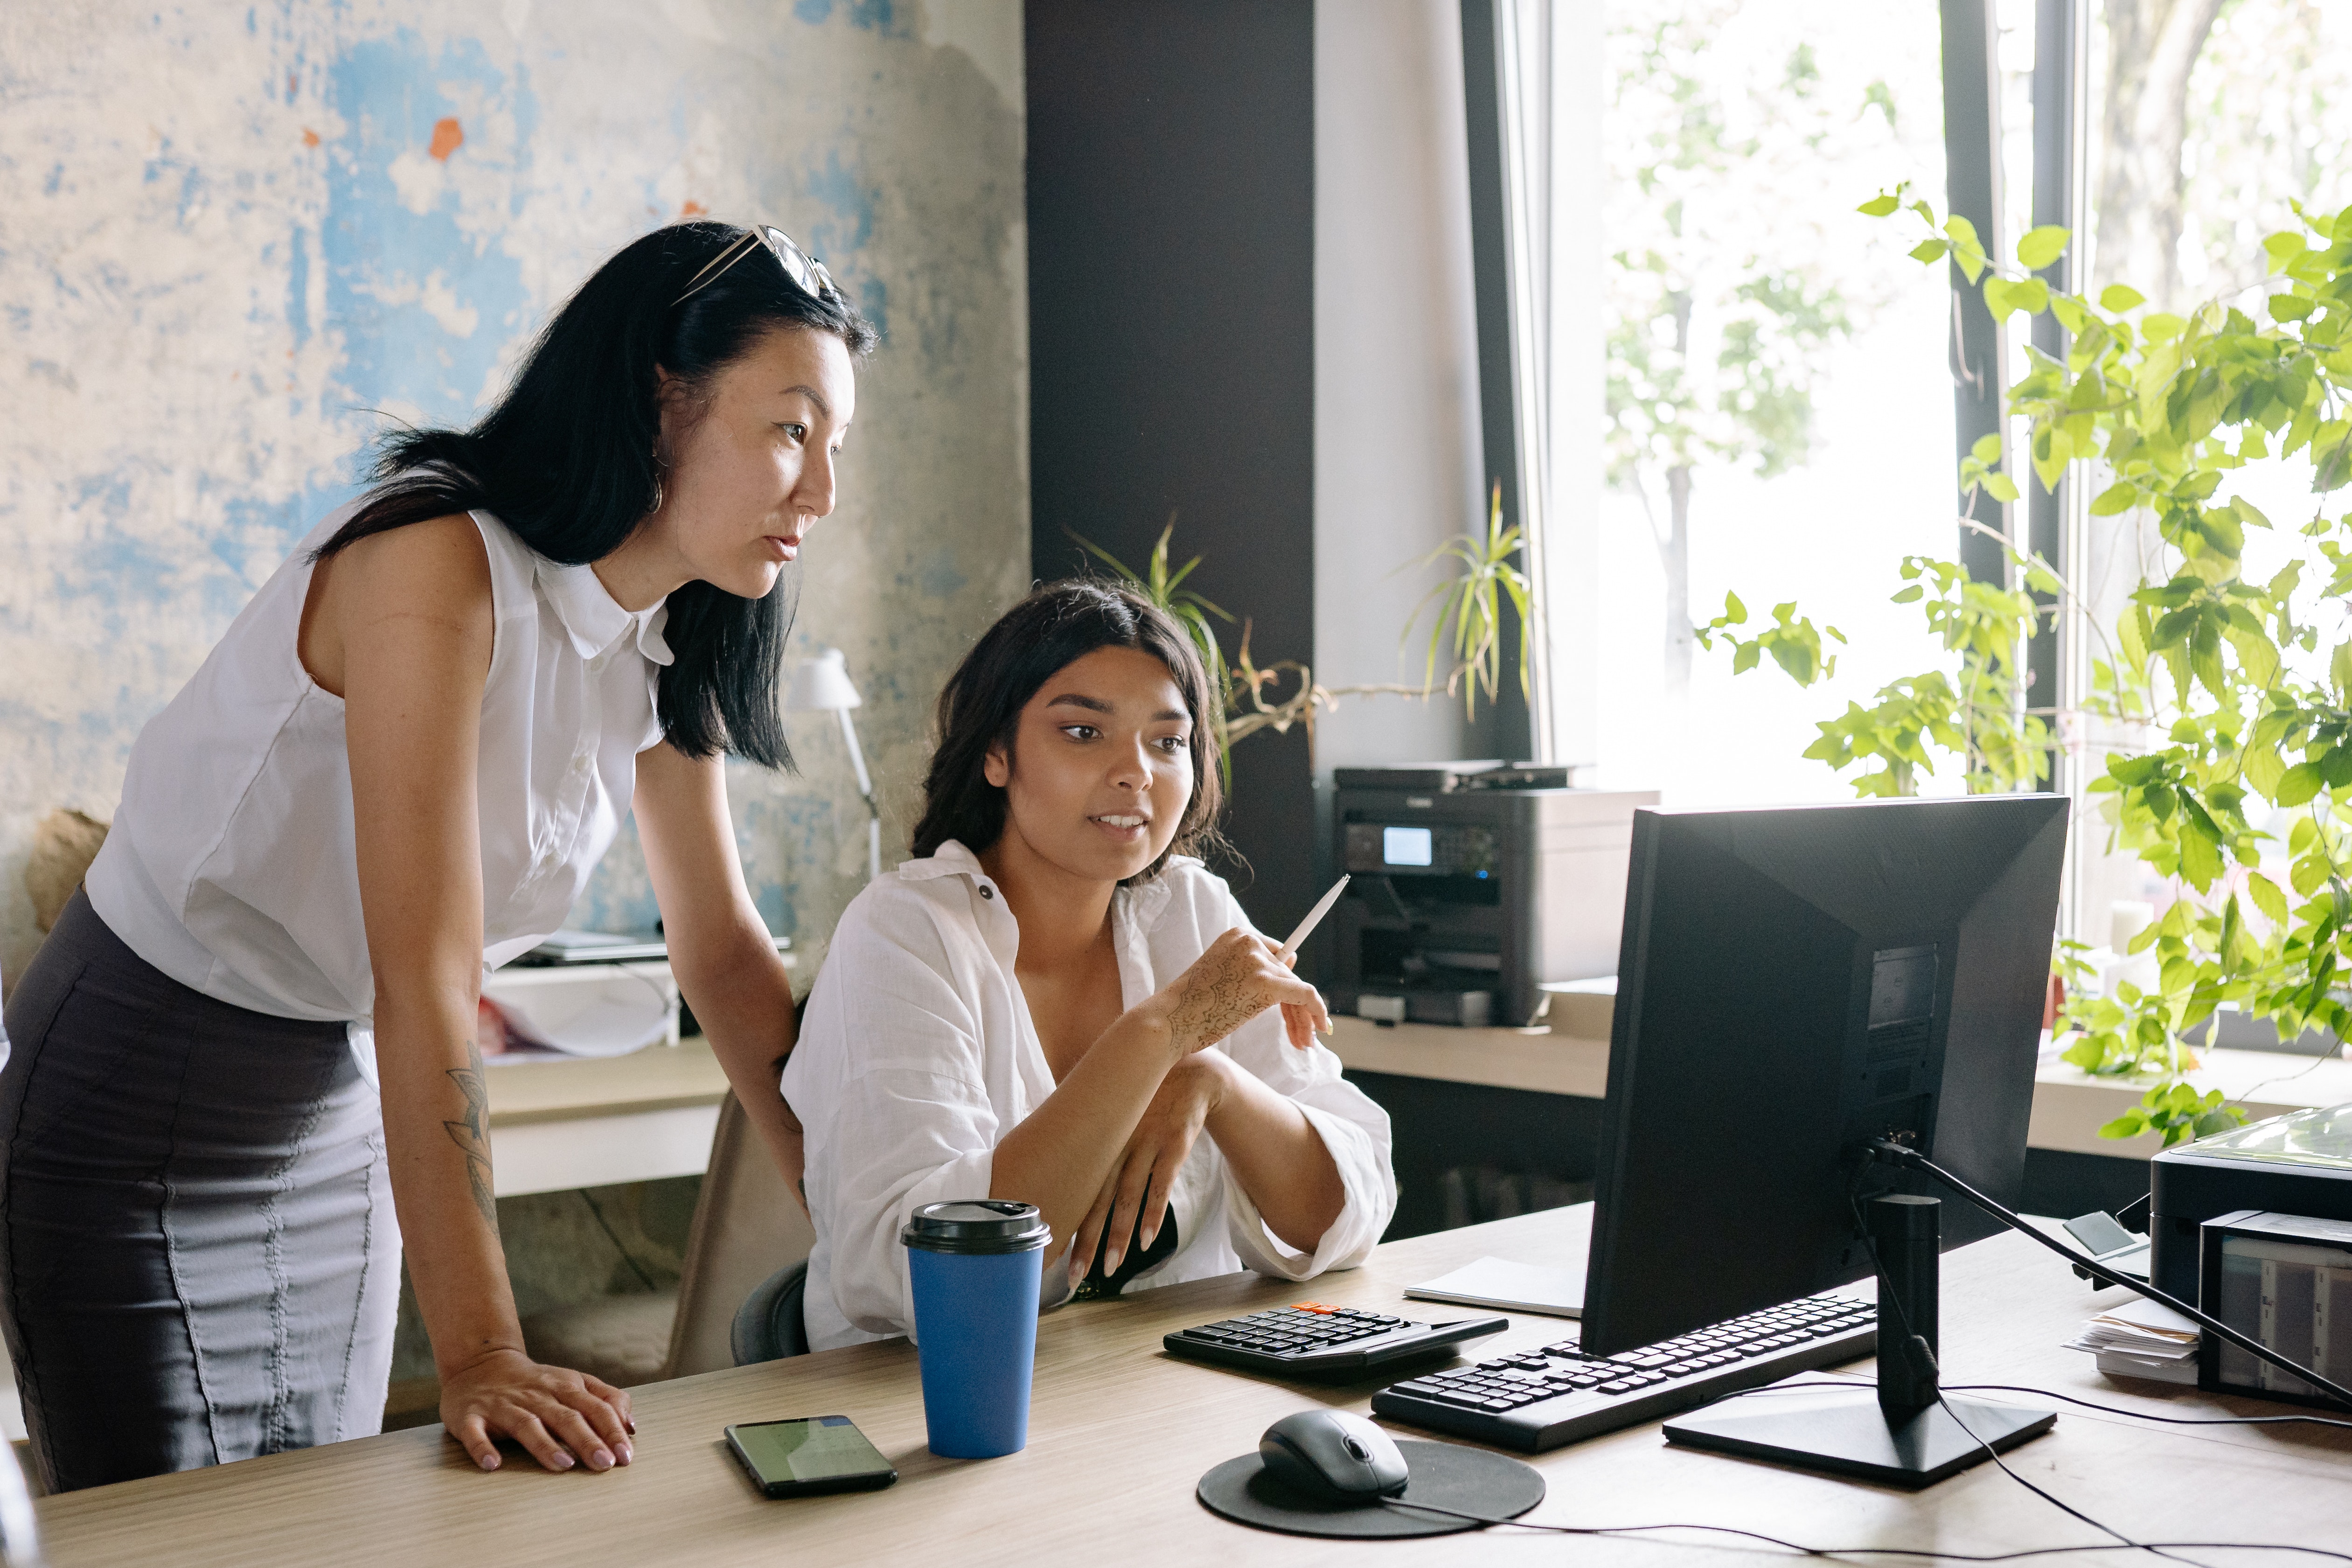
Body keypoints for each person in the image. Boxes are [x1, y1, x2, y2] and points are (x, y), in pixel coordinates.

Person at [0, 223, 874, 1491]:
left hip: (337, 1095)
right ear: (655, 401)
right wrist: (482, 1348)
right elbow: (427, 971)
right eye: (792, 431)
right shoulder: (435, 561)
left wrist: (863, 1229)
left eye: (834, 446)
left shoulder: (668, 625)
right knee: (168, 1530)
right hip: (142, 1093)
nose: (823, 495)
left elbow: (725, 953)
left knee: (340, 1516)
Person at [785, 582, 1397, 1351]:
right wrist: (1161, 1032)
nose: (1135, 771)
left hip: (1149, 1398)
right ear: (996, 753)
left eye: (1168, 741)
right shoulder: (905, 931)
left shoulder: (1192, 911)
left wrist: (1215, 1082)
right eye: (1082, 731)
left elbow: (1347, 1213)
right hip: (925, 1400)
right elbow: (928, 1277)